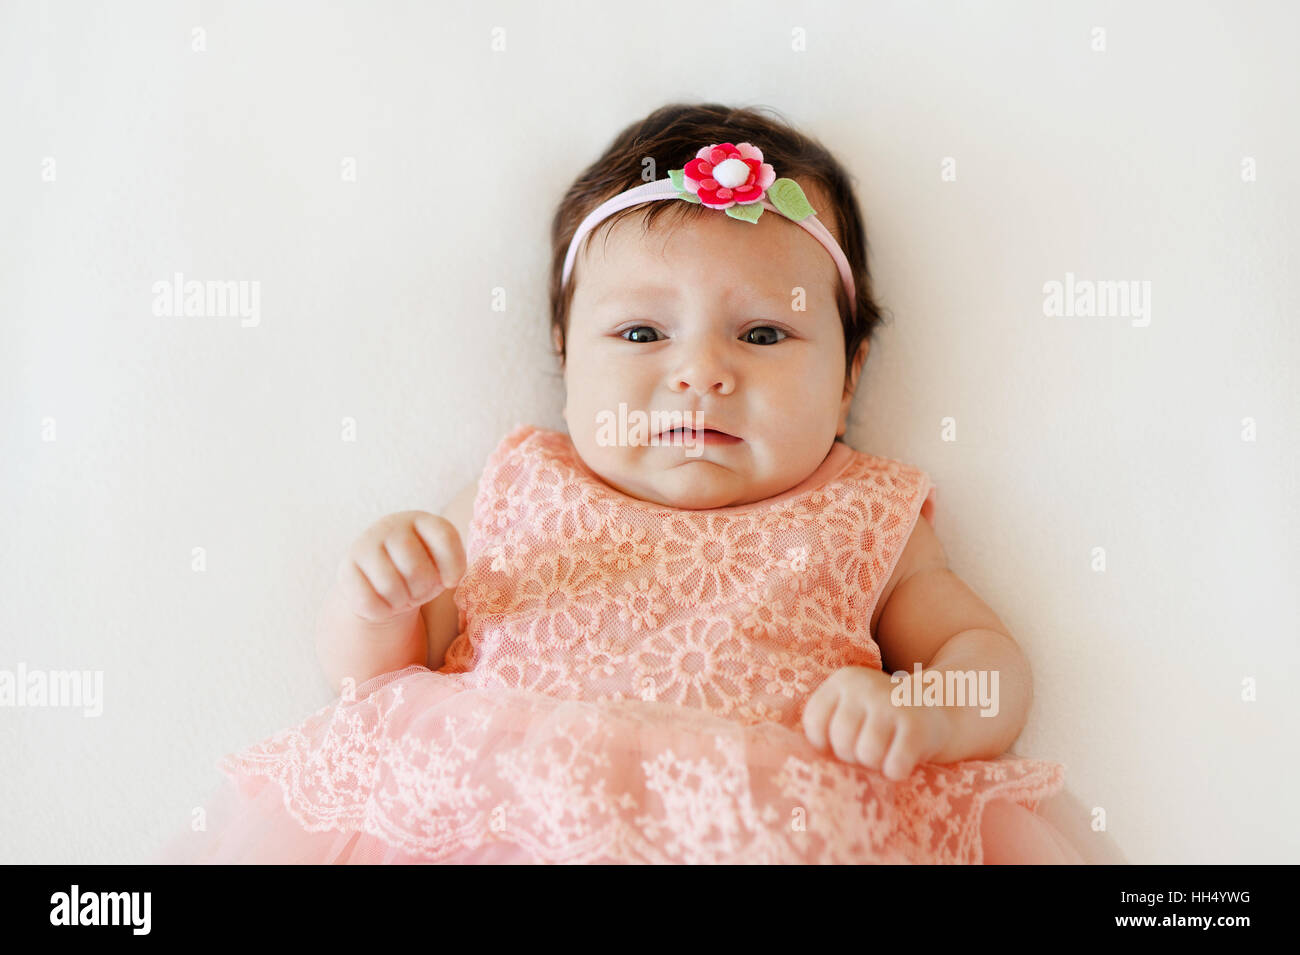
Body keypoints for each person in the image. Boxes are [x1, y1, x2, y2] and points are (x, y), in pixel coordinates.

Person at [153, 103, 1087, 864]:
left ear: (849, 373)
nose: (700, 373)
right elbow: (373, 674)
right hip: (505, 814)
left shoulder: (863, 511)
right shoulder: (522, 484)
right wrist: (378, 594)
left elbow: (988, 660)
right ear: (564, 357)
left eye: (763, 335)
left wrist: (920, 711)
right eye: (642, 334)